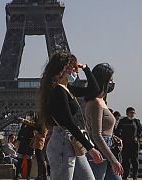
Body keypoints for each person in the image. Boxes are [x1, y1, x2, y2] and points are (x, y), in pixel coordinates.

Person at [39, 52, 103, 180]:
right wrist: (90, 148)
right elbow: (69, 122)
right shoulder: (58, 91)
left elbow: (95, 90)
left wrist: (86, 68)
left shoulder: (67, 89)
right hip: (62, 143)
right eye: (74, 68)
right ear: (64, 69)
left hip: (72, 142)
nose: (76, 72)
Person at [85, 63, 123, 180]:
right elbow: (97, 135)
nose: (112, 82)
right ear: (104, 81)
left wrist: (113, 136)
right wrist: (114, 160)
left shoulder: (100, 101)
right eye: (110, 79)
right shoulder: (96, 103)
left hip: (106, 146)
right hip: (101, 150)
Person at [115, 107, 142, 180]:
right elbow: (117, 131)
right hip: (125, 144)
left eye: (133, 113)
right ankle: (125, 175)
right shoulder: (122, 121)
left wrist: (138, 137)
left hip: (134, 144)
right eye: (131, 113)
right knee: (125, 161)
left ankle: (135, 176)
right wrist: (120, 138)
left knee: (135, 161)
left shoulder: (136, 121)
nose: (132, 114)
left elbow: (141, 131)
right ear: (127, 113)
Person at [15, 111, 36, 180]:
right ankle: (17, 174)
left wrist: (23, 120)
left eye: (29, 115)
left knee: (28, 159)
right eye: (27, 115)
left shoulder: (33, 124)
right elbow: (20, 132)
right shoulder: (24, 124)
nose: (27, 116)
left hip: (29, 144)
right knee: (19, 159)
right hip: (22, 143)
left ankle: (28, 176)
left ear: (32, 117)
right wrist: (18, 141)